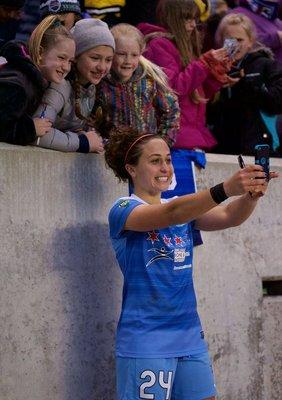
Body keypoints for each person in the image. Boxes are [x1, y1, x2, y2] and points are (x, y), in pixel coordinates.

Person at [105, 128, 277, 400]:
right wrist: (225, 189)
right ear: (132, 169)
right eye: (154, 161)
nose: (165, 168)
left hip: (189, 338)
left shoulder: (182, 207)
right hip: (147, 341)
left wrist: (249, 197)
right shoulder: (123, 209)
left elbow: (229, 215)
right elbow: (171, 213)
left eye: (168, 159)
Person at [138, 0, 232, 245]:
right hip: (174, 143)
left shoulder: (183, 46)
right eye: (187, 19)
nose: (193, 24)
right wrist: (203, 65)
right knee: (173, 226)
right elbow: (172, 88)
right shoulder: (158, 45)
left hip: (188, 143)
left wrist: (214, 77)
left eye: (195, 19)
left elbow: (197, 96)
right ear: (173, 19)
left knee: (186, 225)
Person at [33, 18, 115, 153]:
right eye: (95, 58)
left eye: (108, 60)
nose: (102, 67)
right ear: (75, 56)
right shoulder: (60, 86)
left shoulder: (92, 88)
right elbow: (39, 135)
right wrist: (82, 142)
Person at [93, 23, 180, 147]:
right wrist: (102, 143)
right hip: (111, 154)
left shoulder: (150, 82)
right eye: (121, 54)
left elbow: (172, 111)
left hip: (144, 154)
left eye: (134, 55)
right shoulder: (101, 84)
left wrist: (162, 143)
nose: (128, 61)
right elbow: (89, 118)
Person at [208, 13, 282, 156]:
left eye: (239, 39)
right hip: (224, 149)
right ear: (221, 41)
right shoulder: (213, 69)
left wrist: (246, 84)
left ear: (250, 41)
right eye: (229, 40)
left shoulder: (266, 65)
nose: (235, 45)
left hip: (259, 148)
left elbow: (276, 102)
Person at [0, 15, 75, 146]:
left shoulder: (35, 82)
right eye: (62, 58)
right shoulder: (17, 85)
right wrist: (30, 128)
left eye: (70, 61)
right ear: (40, 53)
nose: (66, 67)